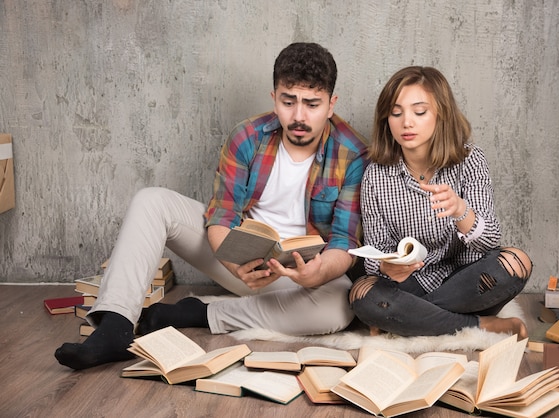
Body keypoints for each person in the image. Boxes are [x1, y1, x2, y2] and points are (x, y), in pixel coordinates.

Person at [55, 42, 369, 370]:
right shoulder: (247, 136)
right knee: (151, 201)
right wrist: (236, 267)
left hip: (301, 275)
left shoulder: (353, 153)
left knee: (338, 309)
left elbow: (345, 243)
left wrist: (315, 272)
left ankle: (197, 313)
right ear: (274, 97)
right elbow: (221, 215)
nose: (299, 116)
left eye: (312, 104)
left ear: (331, 105)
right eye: (288, 102)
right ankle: (115, 326)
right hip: (238, 262)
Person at [348, 66, 530, 339]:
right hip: (409, 285)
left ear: (440, 114)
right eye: (396, 113)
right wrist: (387, 266)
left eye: (419, 112)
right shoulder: (376, 174)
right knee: (361, 293)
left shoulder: (470, 160)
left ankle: (409, 320)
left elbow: (490, 240)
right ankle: (478, 325)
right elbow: (376, 251)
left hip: (466, 283)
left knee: (516, 262)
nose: (406, 122)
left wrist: (460, 210)